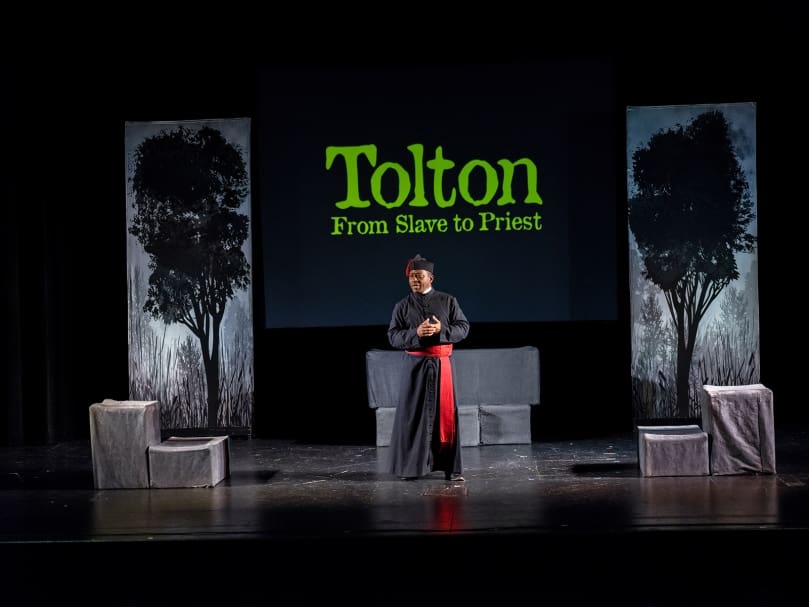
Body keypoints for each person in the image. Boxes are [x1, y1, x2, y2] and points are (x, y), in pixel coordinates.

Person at [386, 253, 470, 482]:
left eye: (419, 276)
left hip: (441, 366)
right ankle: (412, 468)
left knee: (445, 417)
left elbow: (463, 328)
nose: (414, 280)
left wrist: (442, 331)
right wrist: (416, 333)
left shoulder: (448, 301)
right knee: (412, 418)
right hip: (415, 368)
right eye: (411, 276)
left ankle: (450, 469)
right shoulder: (402, 306)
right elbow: (393, 337)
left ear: (430, 278)